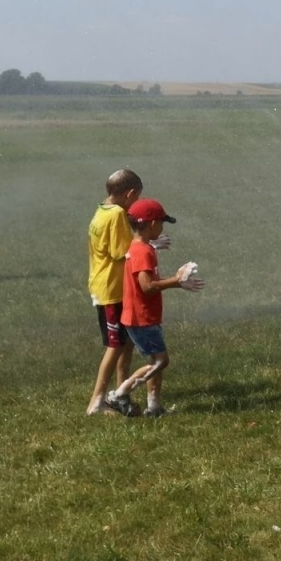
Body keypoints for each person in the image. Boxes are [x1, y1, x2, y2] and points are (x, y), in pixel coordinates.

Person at [104, 198, 202, 418]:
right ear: (151, 224)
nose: (162, 227)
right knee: (160, 361)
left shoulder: (141, 246)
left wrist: (176, 281)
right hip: (142, 318)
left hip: (144, 316)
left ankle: (154, 408)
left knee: (156, 362)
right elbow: (147, 287)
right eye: (161, 222)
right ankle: (119, 393)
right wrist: (177, 281)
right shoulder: (142, 252)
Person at [84, 169, 169, 416]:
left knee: (126, 343)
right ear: (130, 193)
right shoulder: (118, 215)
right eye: (136, 197)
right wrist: (151, 244)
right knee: (116, 345)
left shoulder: (101, 210)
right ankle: (97, 402)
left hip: (105, 284)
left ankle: (123, 394)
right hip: (112, 289)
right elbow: (123, 252)